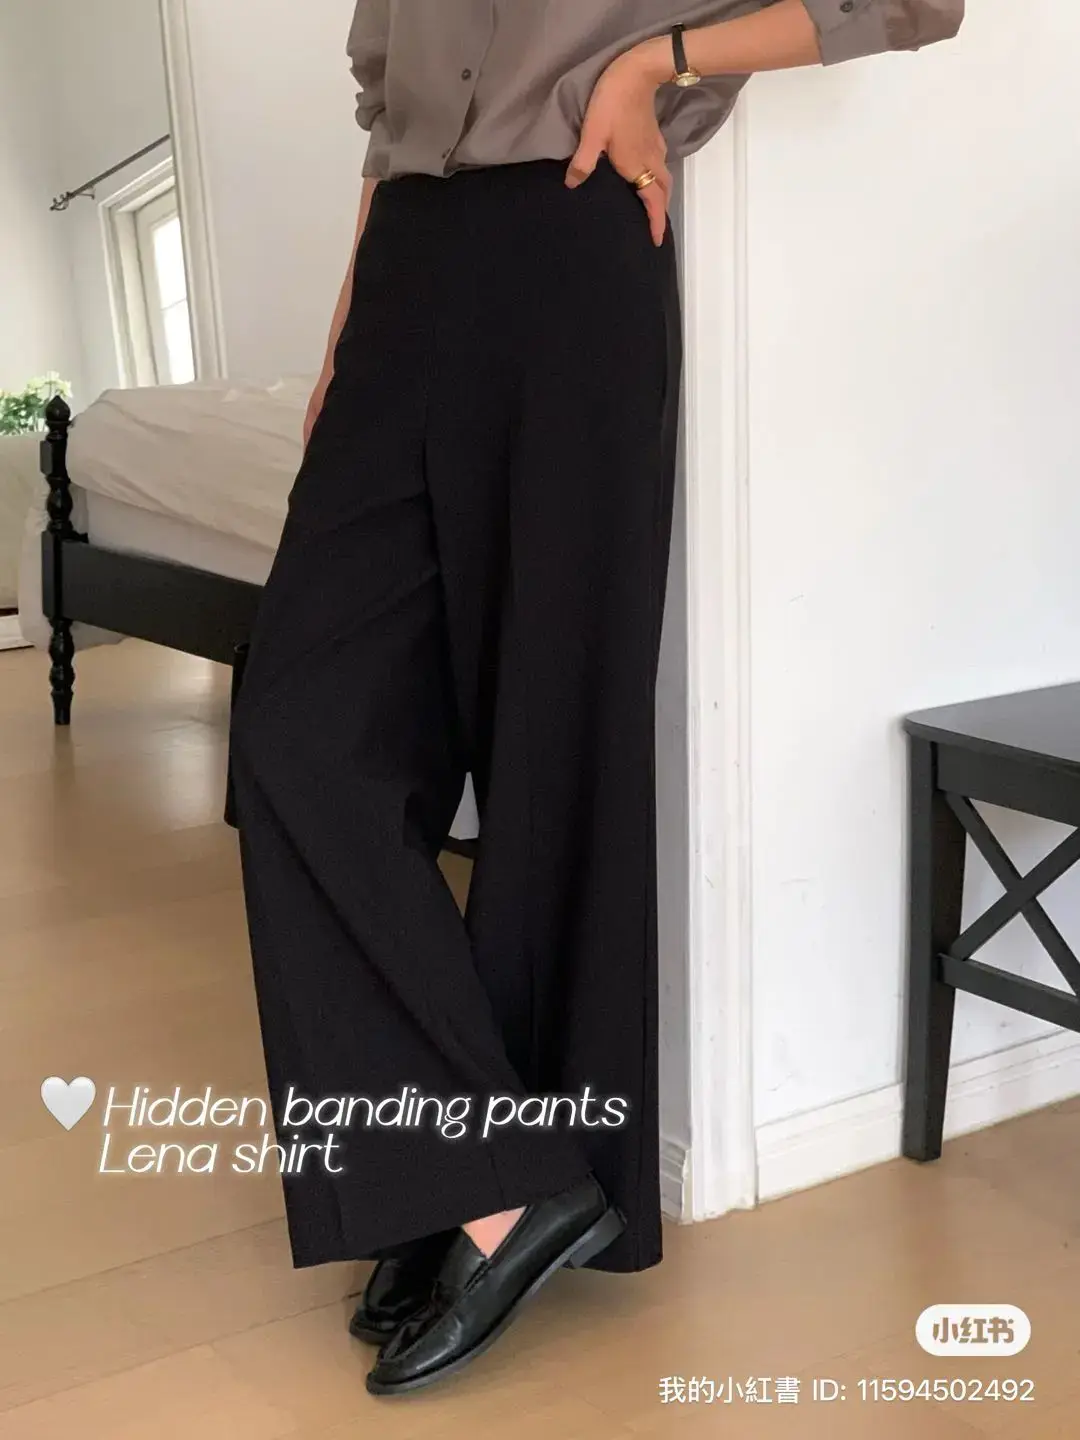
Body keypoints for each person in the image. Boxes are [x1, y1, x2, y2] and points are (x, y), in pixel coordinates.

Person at [227, 0, 964, 1398]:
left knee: (549, 750)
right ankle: (488, 1163)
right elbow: (391, 117)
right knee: (296, 739)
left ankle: (489, 1196)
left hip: (571, 248)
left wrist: (654, 64)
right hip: (405, 270)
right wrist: (346, 329)